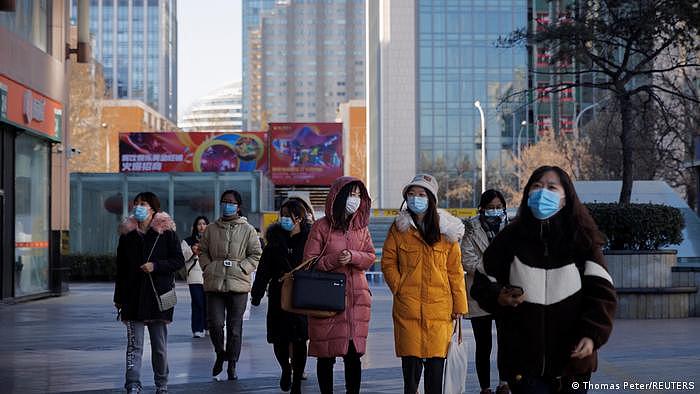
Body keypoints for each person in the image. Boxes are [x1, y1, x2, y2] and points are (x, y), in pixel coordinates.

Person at [471, 166, 617, 394]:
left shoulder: (583, 238)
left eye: (551, 187)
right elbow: (482, 282)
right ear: (528, 193)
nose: (542, 193)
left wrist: (592, 334)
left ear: (565, 197)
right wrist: (498, 296)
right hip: (523, 365)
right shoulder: (510, 238)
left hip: (573, 364)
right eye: (537, 186)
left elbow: (602, 294)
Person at [381, 173, 468, 394]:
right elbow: (388, 261)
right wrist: (398, 286)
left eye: (421, 194)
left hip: (439, 310)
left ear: (431, 199)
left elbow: (455, 271)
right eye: (411, 194)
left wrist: (460, 306)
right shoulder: (399, 229)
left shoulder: (447, 231)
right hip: (407, 308)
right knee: (410, 378)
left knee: (435, 375)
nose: (415, 198)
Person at [303, 177, 375, 394]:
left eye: (358, 195)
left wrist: (353, 256)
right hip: (326, 298)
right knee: (326, 355)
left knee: (354, 356)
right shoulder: (321, 226)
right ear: (339, 196)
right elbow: (309, 261)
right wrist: (334, 260)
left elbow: (370, 256)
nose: (354, 199)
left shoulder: (361, 228)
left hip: (356, 301)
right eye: (351, 194)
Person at [114, 192, 185, 394]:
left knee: (159, 346)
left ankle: (161, 383)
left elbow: (178, 261)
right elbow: (121, 268)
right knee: (134, 346)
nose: (138, 207)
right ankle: (132, 384)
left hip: (157, 297)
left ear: (152, 208)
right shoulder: (127, 235)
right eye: (136, 203)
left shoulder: (167, 232)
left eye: (143, 204)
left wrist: (156, 266)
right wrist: (118, 298)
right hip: (132, 297)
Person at [199, 189, 263, 381]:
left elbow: (256, 254)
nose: (227, 205)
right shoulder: (211, 229)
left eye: (231, 202)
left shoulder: (248, 229)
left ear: (238, 206)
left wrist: (243, 268)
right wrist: (208, 267)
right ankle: (220, 353)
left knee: (235, 328)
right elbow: (202, 251)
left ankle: (232, 364)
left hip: (239, 286)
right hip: (214, 283)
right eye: (224, 201)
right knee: (215, 324)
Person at [251, 198, 313, 394]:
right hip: (278, 295)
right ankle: (286, 369)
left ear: (300, 217)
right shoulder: (275, 241)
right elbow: (263, 270)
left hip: (302, 296)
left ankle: (296, 379)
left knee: (300, 338)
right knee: (279, 338)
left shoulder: (310, 239)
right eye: (283, 215)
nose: (285, 219)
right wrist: (257, 293)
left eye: (289, 216)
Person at [461, 190, 511, 394]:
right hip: (480, 293)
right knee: (483, 344)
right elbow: (467, 260)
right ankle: (485, 387)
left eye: (498, 207)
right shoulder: (470, 229)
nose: (495, 210)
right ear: (481, 208)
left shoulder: (511, 229)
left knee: (506, 342)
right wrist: (493, 270)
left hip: (506, 293)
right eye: (490, 207)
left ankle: (504, 383)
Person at [181, 216, 209, 338]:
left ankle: (208, 327)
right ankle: (197, 329)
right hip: (195, 276)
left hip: (209, 276)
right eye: (199, 224)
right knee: (198, 302)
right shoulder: (187, 241)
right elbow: (182, 257)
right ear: (195, 226)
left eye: (204, 224)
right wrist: (192, 251)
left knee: (209, 303)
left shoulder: (211, 240)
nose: (202, 226)